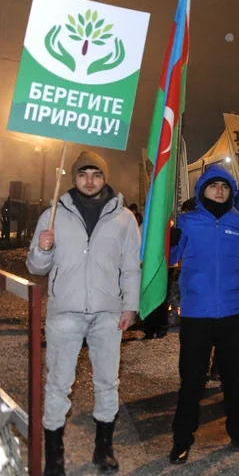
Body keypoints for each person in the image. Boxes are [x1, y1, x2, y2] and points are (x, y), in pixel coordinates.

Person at [27, 151, 140, 475]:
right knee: (58, 383)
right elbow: (36, 267)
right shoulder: (53, 215)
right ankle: (55, 456)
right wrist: (42, 249)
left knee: (107, 382)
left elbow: (131, 266)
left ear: (104, 178)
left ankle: (103, 449)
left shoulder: (124, 218)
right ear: (73, 178)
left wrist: (130, 306)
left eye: (96, 174)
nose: (89, 180)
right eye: (83, 174)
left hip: (108, 313)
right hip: (65, 312)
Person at [168, 166, 239, 464]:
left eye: (224, 186)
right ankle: (181, 438)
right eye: (213, 186)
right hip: (197, 314)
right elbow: (170, 260)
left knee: (234, 379)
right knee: (192, 380)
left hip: (233, 313)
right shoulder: (187, 221)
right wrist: (171, 241)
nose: (220, 191)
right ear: (202, 190)